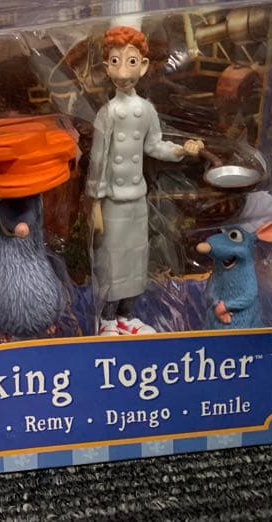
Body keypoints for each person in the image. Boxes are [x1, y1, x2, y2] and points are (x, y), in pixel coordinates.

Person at [86, 26, 203, 335]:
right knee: (112, 260)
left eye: (131, 61)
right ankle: (107, 319)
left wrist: (182, 150)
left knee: (136, 259)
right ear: (106, 67)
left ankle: (127, 315)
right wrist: (95, 203)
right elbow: (98, 160)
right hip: (113, 200)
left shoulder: (146, 111)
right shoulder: (107, 114)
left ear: (144, 66)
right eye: (115, 61)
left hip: (137, 199)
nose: (123, 70)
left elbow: (154, 146)